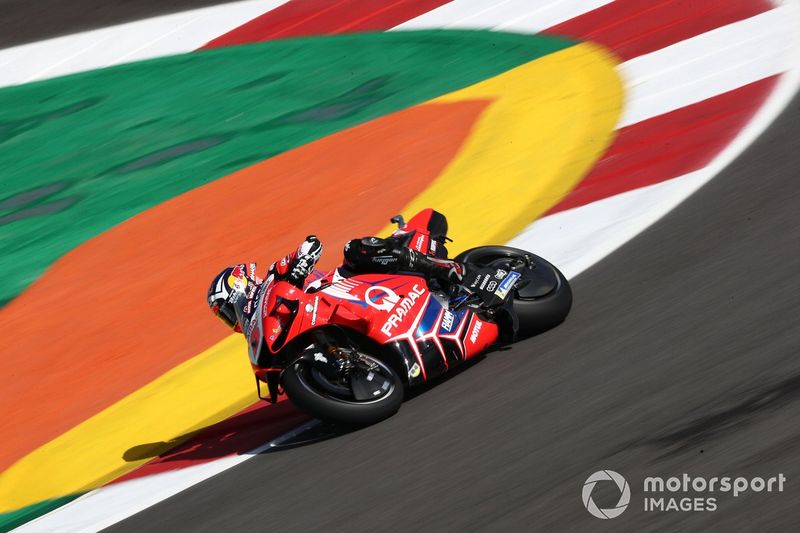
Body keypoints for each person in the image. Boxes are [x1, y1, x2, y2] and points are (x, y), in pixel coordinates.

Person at [207, 235, 487, 331]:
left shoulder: (272, 277)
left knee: (354, 249)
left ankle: (454, 272)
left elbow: (308, 246)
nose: (231, 319)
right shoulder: (265, 328)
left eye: (228, 309)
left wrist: (302, 259)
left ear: (241, 285)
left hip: (346, 285)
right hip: (344, 316)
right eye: (225, 317)